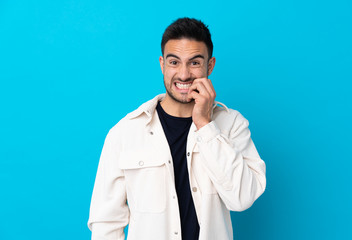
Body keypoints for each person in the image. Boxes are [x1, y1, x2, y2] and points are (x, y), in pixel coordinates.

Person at [88, 17, 266, 240]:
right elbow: (106, 222)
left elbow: (242, 198)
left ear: (210, 65)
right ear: (162, 64)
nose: (183, 75)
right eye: (174, 62)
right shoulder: (124, 133)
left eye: (194, 62)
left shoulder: (232, 125)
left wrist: (205, 125)